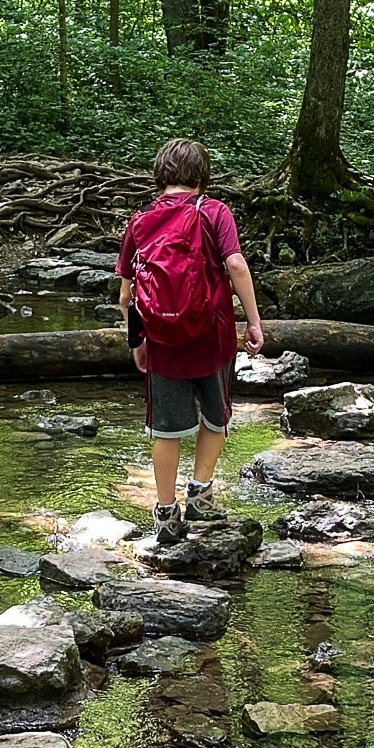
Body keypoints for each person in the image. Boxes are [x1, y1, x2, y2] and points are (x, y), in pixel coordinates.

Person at [117, 137, 265, 544]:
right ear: (202, 175)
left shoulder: (140, 218)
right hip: (213, 334)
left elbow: (127, 296)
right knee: (216, 416)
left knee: (165, 429)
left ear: (160, 174)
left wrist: (137, 342)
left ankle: (166, 515)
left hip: (161, 337)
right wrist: (253, 322)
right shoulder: (213, 211)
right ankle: (200, 494)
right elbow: (235, 264)